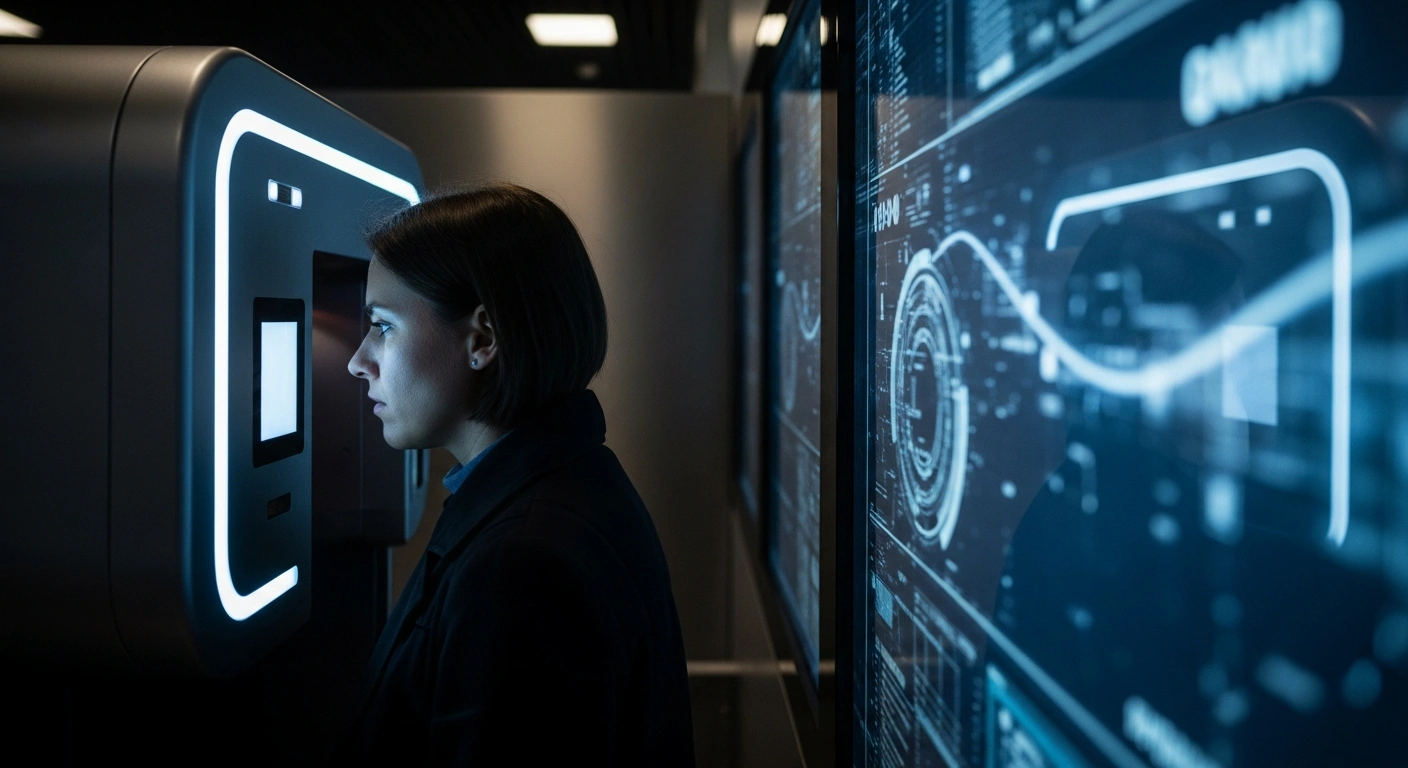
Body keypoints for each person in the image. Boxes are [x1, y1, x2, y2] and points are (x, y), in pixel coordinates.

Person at [335, 182, 695, 765]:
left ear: (482, 339)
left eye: (383, 326)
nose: (358, 361)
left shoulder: (525, 560)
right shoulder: (562, 487)